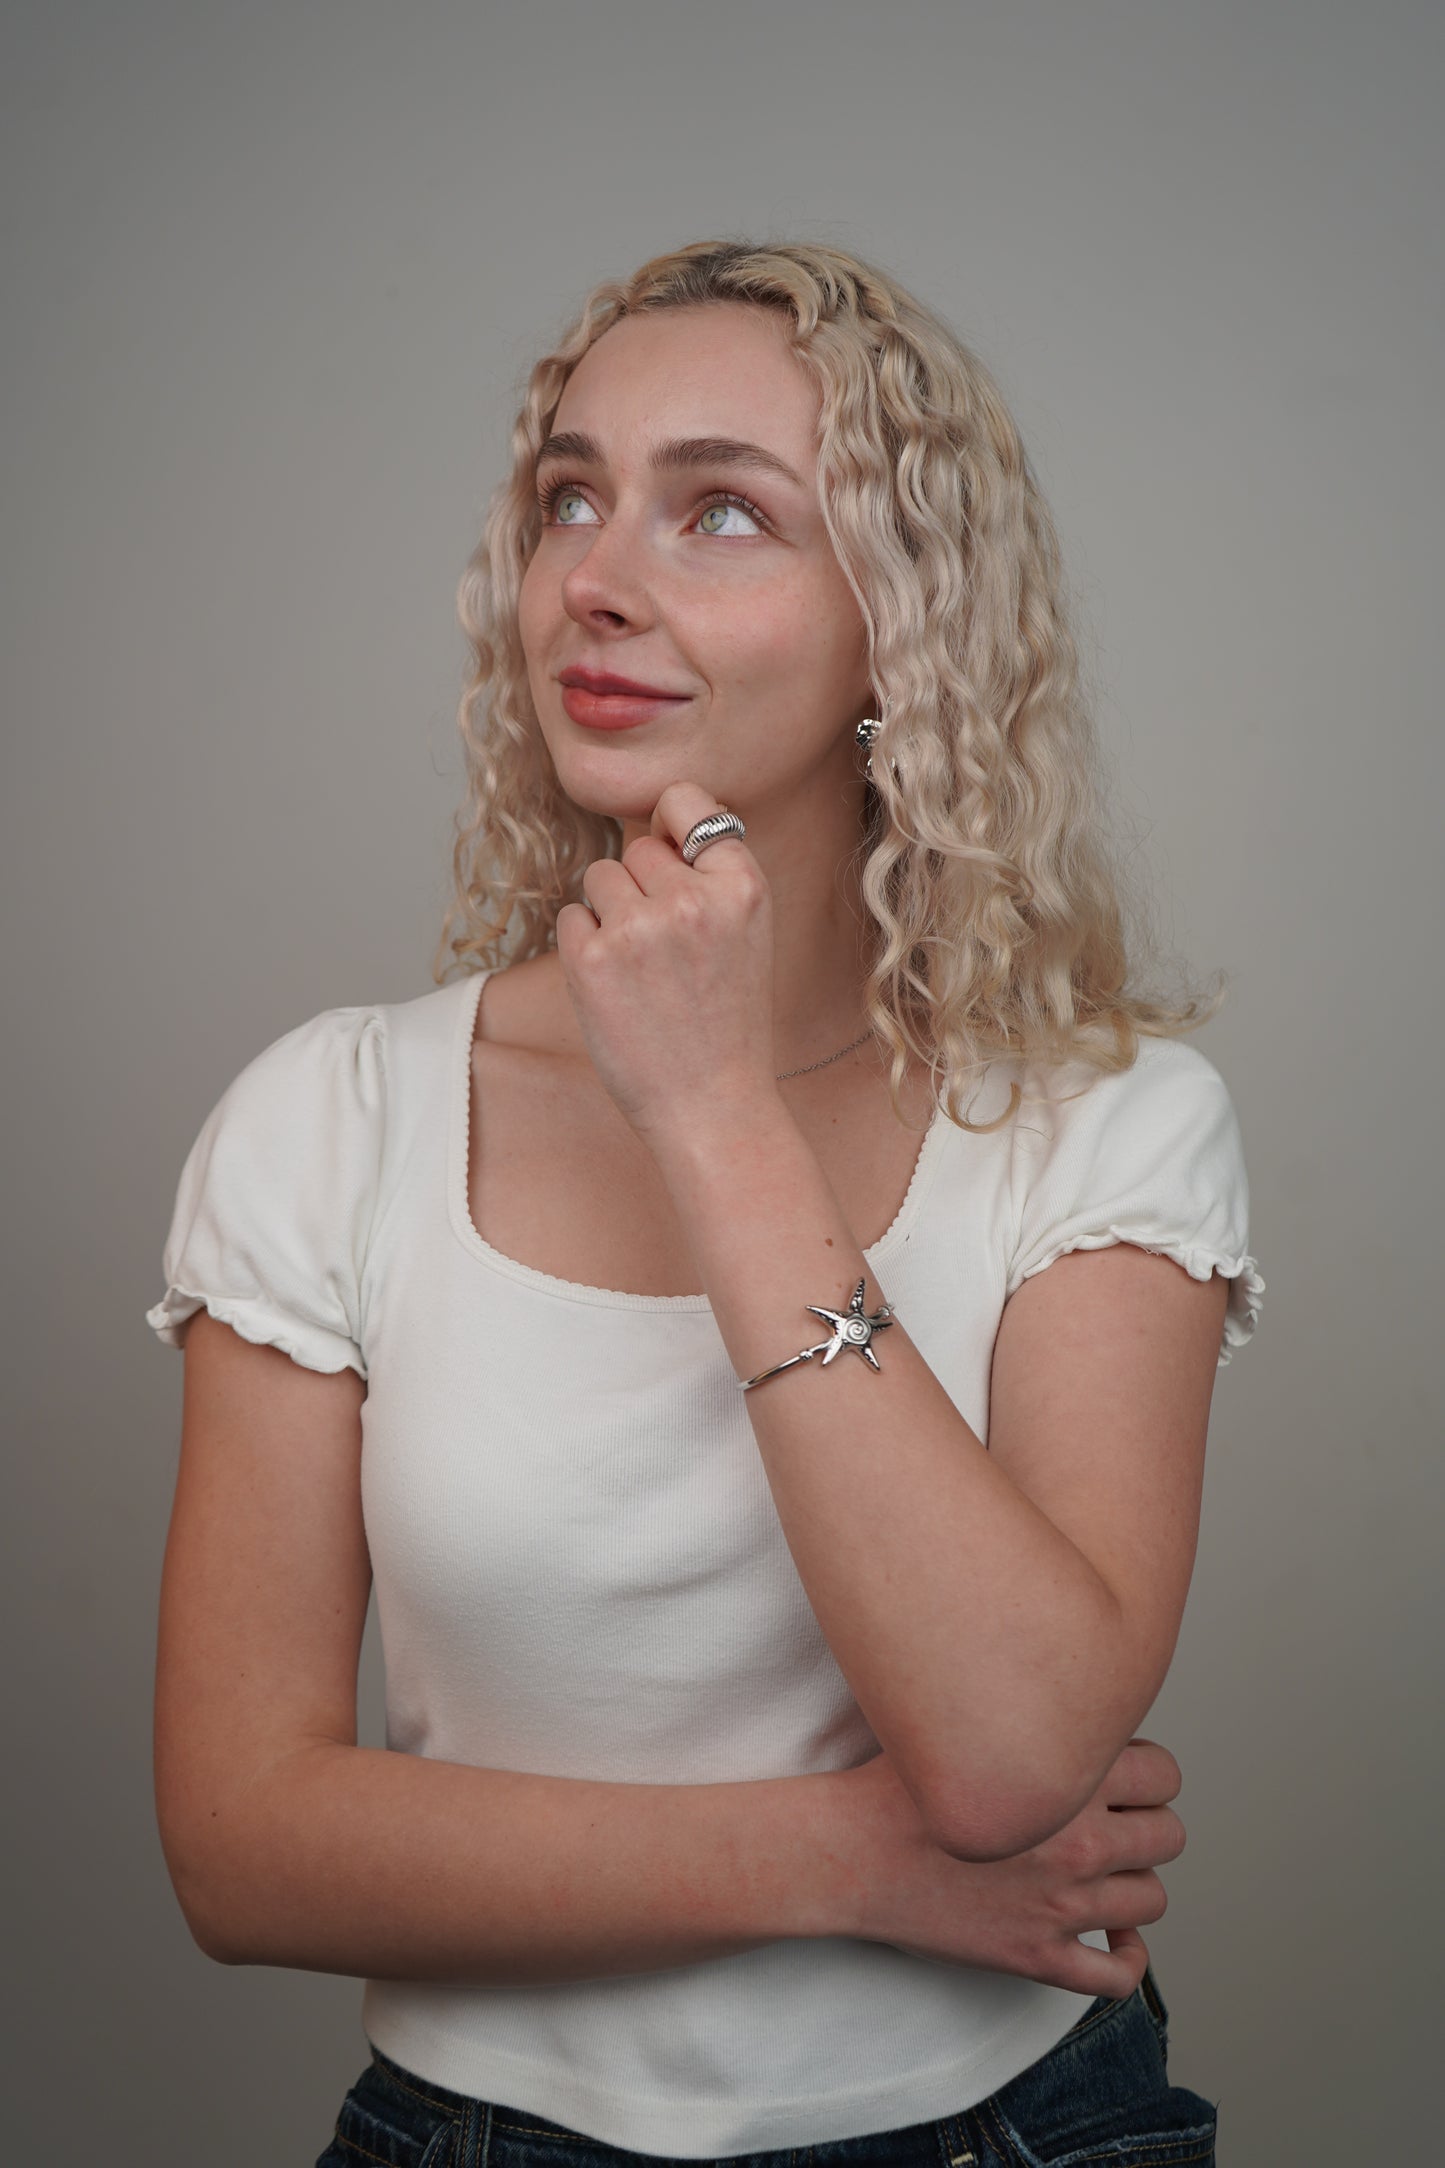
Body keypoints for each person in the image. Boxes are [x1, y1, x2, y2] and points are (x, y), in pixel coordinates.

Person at [145, 238, 1264, 2168]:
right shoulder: (329, 1117)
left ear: (896, 629)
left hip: (1005, 2129)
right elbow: (242, 1847)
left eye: (721, 510)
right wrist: (845, 1861)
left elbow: (1008, 1751)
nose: (595, 573)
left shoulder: (1104, 1122)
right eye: (568, 495)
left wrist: (714, 1111)